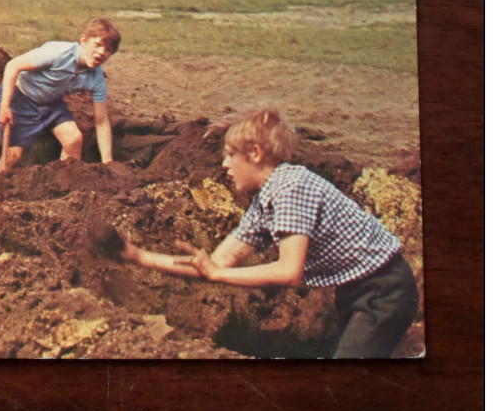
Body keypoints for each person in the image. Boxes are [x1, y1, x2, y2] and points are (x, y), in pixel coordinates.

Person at [112, 106, 420, 359]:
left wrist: (217, 275)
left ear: (256, 153)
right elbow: (215, 264)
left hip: (384, 289)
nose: (224, 164)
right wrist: (138, 256)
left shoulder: (291, 187)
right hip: (356, 291)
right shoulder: (265, 202)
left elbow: (289, 272)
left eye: (231, 154)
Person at [0, 18, 120, 174]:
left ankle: (65, 188)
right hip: (20, 97)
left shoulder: (97, 79)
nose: (102, 52)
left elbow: (101, 121)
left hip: (51, 103)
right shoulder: (58, 52)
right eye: (98, 45)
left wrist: (108, 162)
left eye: (108, 50)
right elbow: (13, 65)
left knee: (74, 140)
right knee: (12, 156)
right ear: (83, 41)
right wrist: (5, 106)